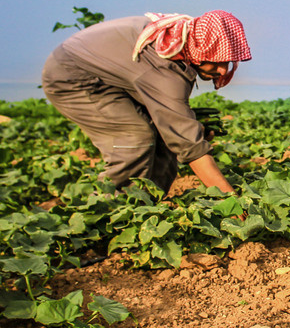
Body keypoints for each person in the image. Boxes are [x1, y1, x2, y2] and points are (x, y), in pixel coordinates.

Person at [41, 10, 251, 195]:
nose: (223, 70)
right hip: (71, 75)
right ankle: (110, 210)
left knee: (165, 134)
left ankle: (148, 203)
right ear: (200, 50)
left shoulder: (176, 41)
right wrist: (228, 198)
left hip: (103, 72)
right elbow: (187, 143)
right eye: (217, 59)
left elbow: (174, 125)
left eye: (228, 61)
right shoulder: (164, 66)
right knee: (133, 136)